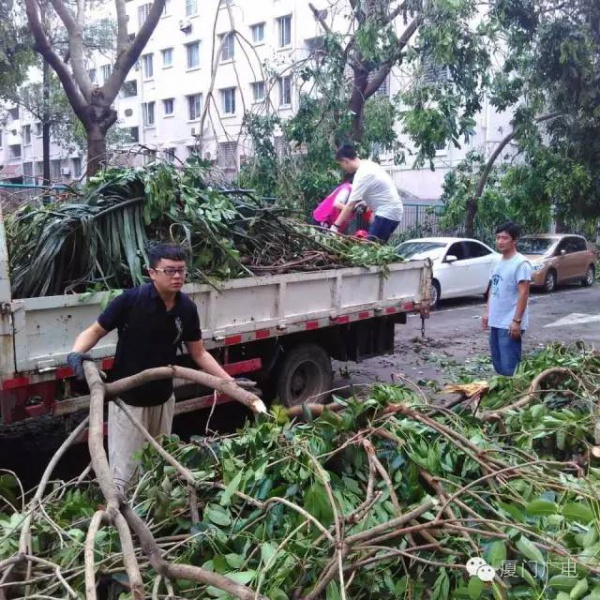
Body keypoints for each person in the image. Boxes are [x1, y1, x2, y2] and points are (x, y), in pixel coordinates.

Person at [67, 243, 235, 490]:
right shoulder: (130, 301)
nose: (177, 276)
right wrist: (76, 353)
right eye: (169, 270)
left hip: (164, 398)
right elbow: (94, 331)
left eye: (181, 270)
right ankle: (122, 517)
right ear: (152, 272)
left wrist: (229, 382)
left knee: (158, 465)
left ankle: (153, 514)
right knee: (125, 472)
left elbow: (198, 352)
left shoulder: (186, 308)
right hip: (129, 402)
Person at [482, 222, 532, 376]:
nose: (500, 241)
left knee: (510, 367)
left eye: (504, 238)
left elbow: (524, 293)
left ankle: (516, 397)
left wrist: (516, 321)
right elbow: (493, 287)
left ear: (514, 240)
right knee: (498, 365)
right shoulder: (497, 261)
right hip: (496, 321)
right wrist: (487, 312)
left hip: (510, 323)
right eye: (497, 238)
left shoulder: (521, 263)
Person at [331, 142, 404, 242]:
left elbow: (350, 205)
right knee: (376, 247)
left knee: (369, 248)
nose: (343, 168)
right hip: (393, 212)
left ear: (345, 161)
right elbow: (376, 192)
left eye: (341, 165)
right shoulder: (369, 165)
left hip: (386, 213)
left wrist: (335, 227)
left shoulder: (361, 175)